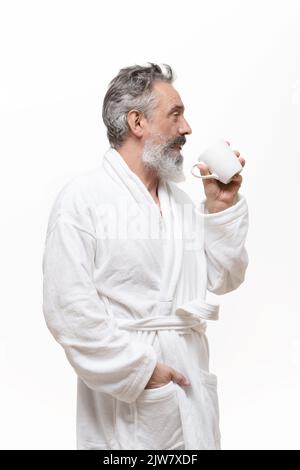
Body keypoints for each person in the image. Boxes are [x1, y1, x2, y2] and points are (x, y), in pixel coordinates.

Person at [42, 63, 248, 450]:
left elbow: (225, 279)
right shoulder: (82, 200)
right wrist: (143, 371)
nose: (186, 128)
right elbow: (68, 309)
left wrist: (220, 208)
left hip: (191, 386)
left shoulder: (183, 204)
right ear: (137, 122)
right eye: (176, 115)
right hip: (132, 399)